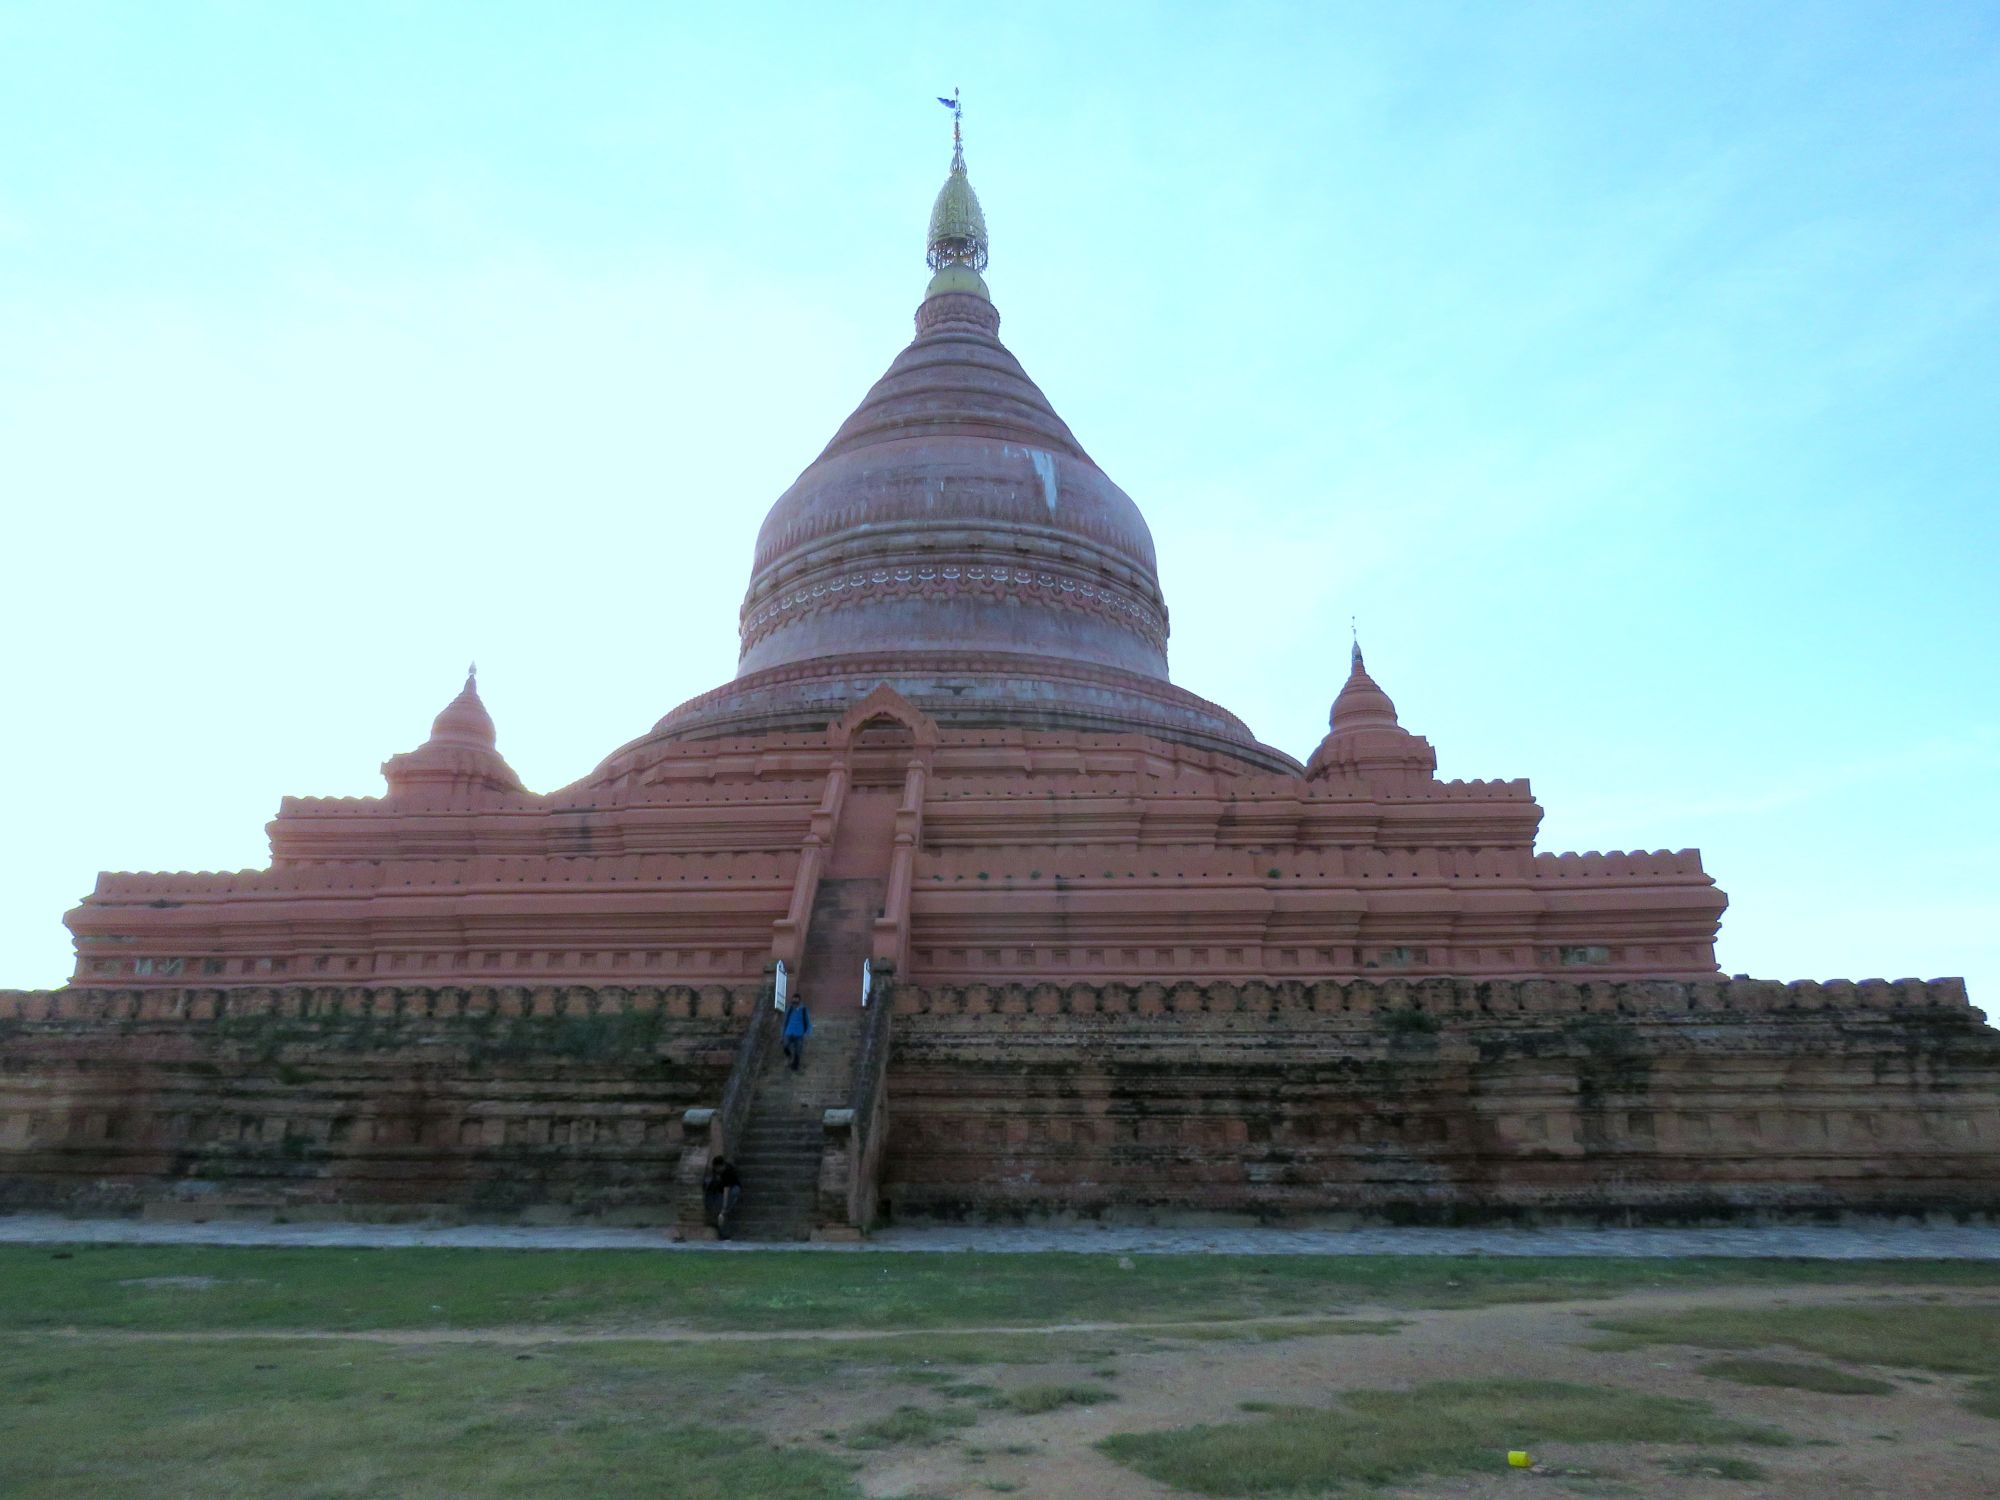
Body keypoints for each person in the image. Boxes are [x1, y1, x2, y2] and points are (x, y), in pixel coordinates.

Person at [702, 1154, 742, 1238]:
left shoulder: (728, 1172)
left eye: (718, 1168)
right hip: (720, 1190)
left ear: (721, 1166)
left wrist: (724, 1207)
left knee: (722, 1212)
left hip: (732, 1189)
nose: (717, 1170)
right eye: (715, 1168)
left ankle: (724, 1234)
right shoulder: (717, 1170)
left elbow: (726, 1190)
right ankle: (719, 1227)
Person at [782, 996, 813, 1071]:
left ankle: (795, 1067)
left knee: (798, 1050)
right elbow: (785, 1022)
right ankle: (789, 1056)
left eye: (796, 1002)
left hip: (799, 1033)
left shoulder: (804, 1010)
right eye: (793, 1002)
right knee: (785, 1045)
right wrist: (782, 1034)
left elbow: (808, 1021)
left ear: (799, 1002)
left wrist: (808, 1032)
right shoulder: (789, 1010)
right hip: (789, 1032)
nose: (794, 1004)